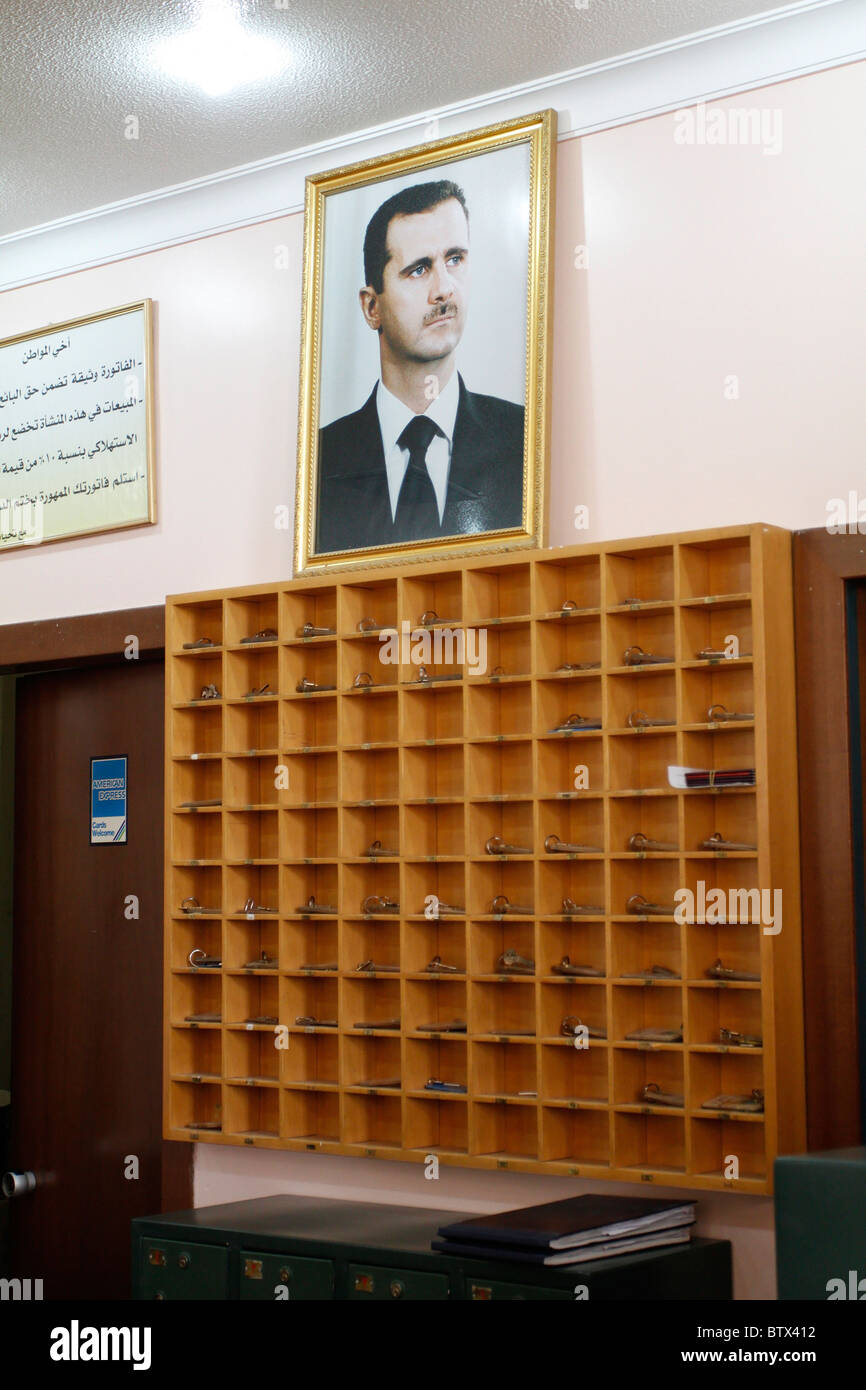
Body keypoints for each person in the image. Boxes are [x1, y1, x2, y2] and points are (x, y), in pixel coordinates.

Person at [316, 179, 525, 554]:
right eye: (418, 269)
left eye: (455, 259)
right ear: (371, 307)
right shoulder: (321, 462)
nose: (444, 289)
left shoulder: (522, 439)